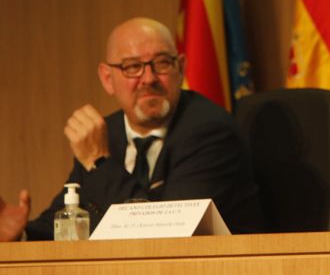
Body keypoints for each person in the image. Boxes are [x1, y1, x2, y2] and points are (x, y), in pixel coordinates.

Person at [0, 17, 262, 240]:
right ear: (107, 78)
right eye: (132, 67)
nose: (148, 79)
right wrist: (20, 234)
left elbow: (166, 234)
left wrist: (100, 162)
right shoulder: (107, 133)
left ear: (180, 68)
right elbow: (75, 218)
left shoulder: (210, 131)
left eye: (161, 63)